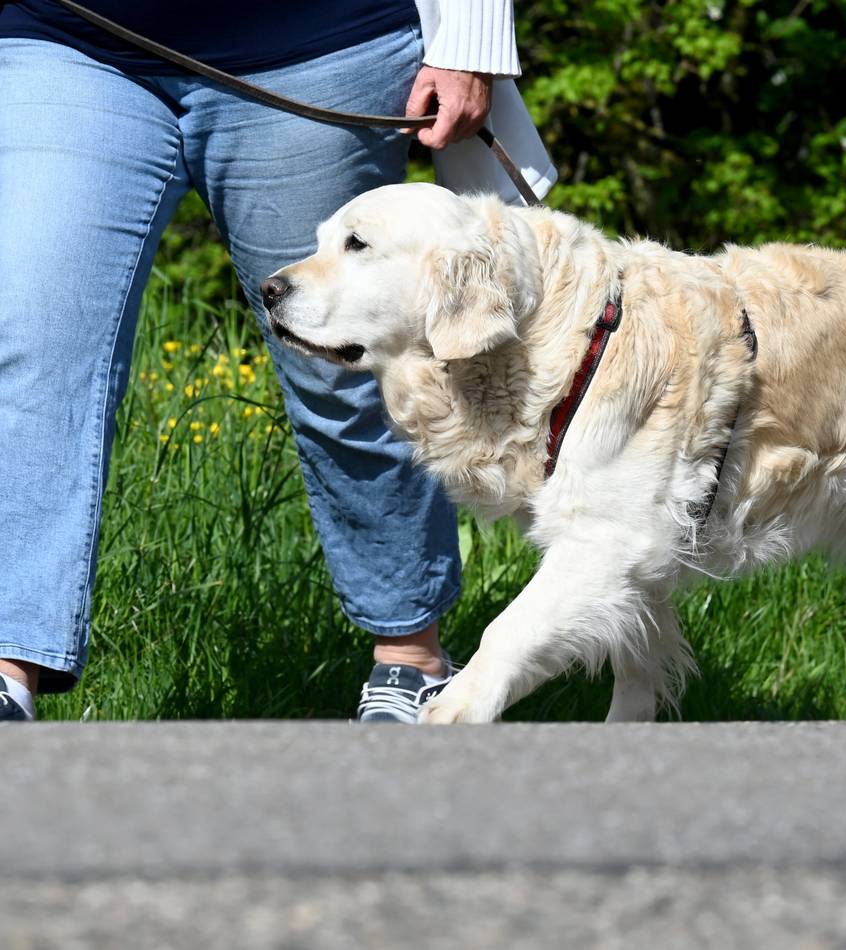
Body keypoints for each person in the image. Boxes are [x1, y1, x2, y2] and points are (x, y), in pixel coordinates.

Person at [0, 0, 554, 722]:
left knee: (348, 369)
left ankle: (411, 658)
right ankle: (8, 670)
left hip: (319, 43)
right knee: (34, 342)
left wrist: (472, 42)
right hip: (68, 35)